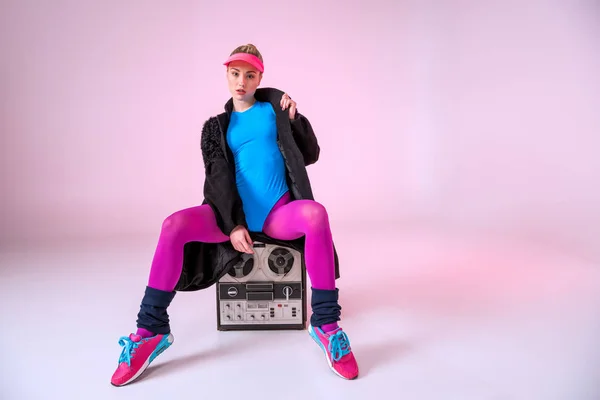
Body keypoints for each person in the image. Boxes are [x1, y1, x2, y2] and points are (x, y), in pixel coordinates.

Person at [110, 44, 359, 386]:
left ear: (260, 78)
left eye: (250, 74)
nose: (241, 81)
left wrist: (294, 119)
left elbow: (311, 154)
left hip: (277, 213)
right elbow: (218, 179)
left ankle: (327, 326)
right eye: (235, 73)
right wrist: (233, 224)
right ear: (227, 75)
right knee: (173, 225)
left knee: (316, 215)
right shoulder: (215, 128)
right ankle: (150, 329)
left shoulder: (274, 110)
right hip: (229, 217)